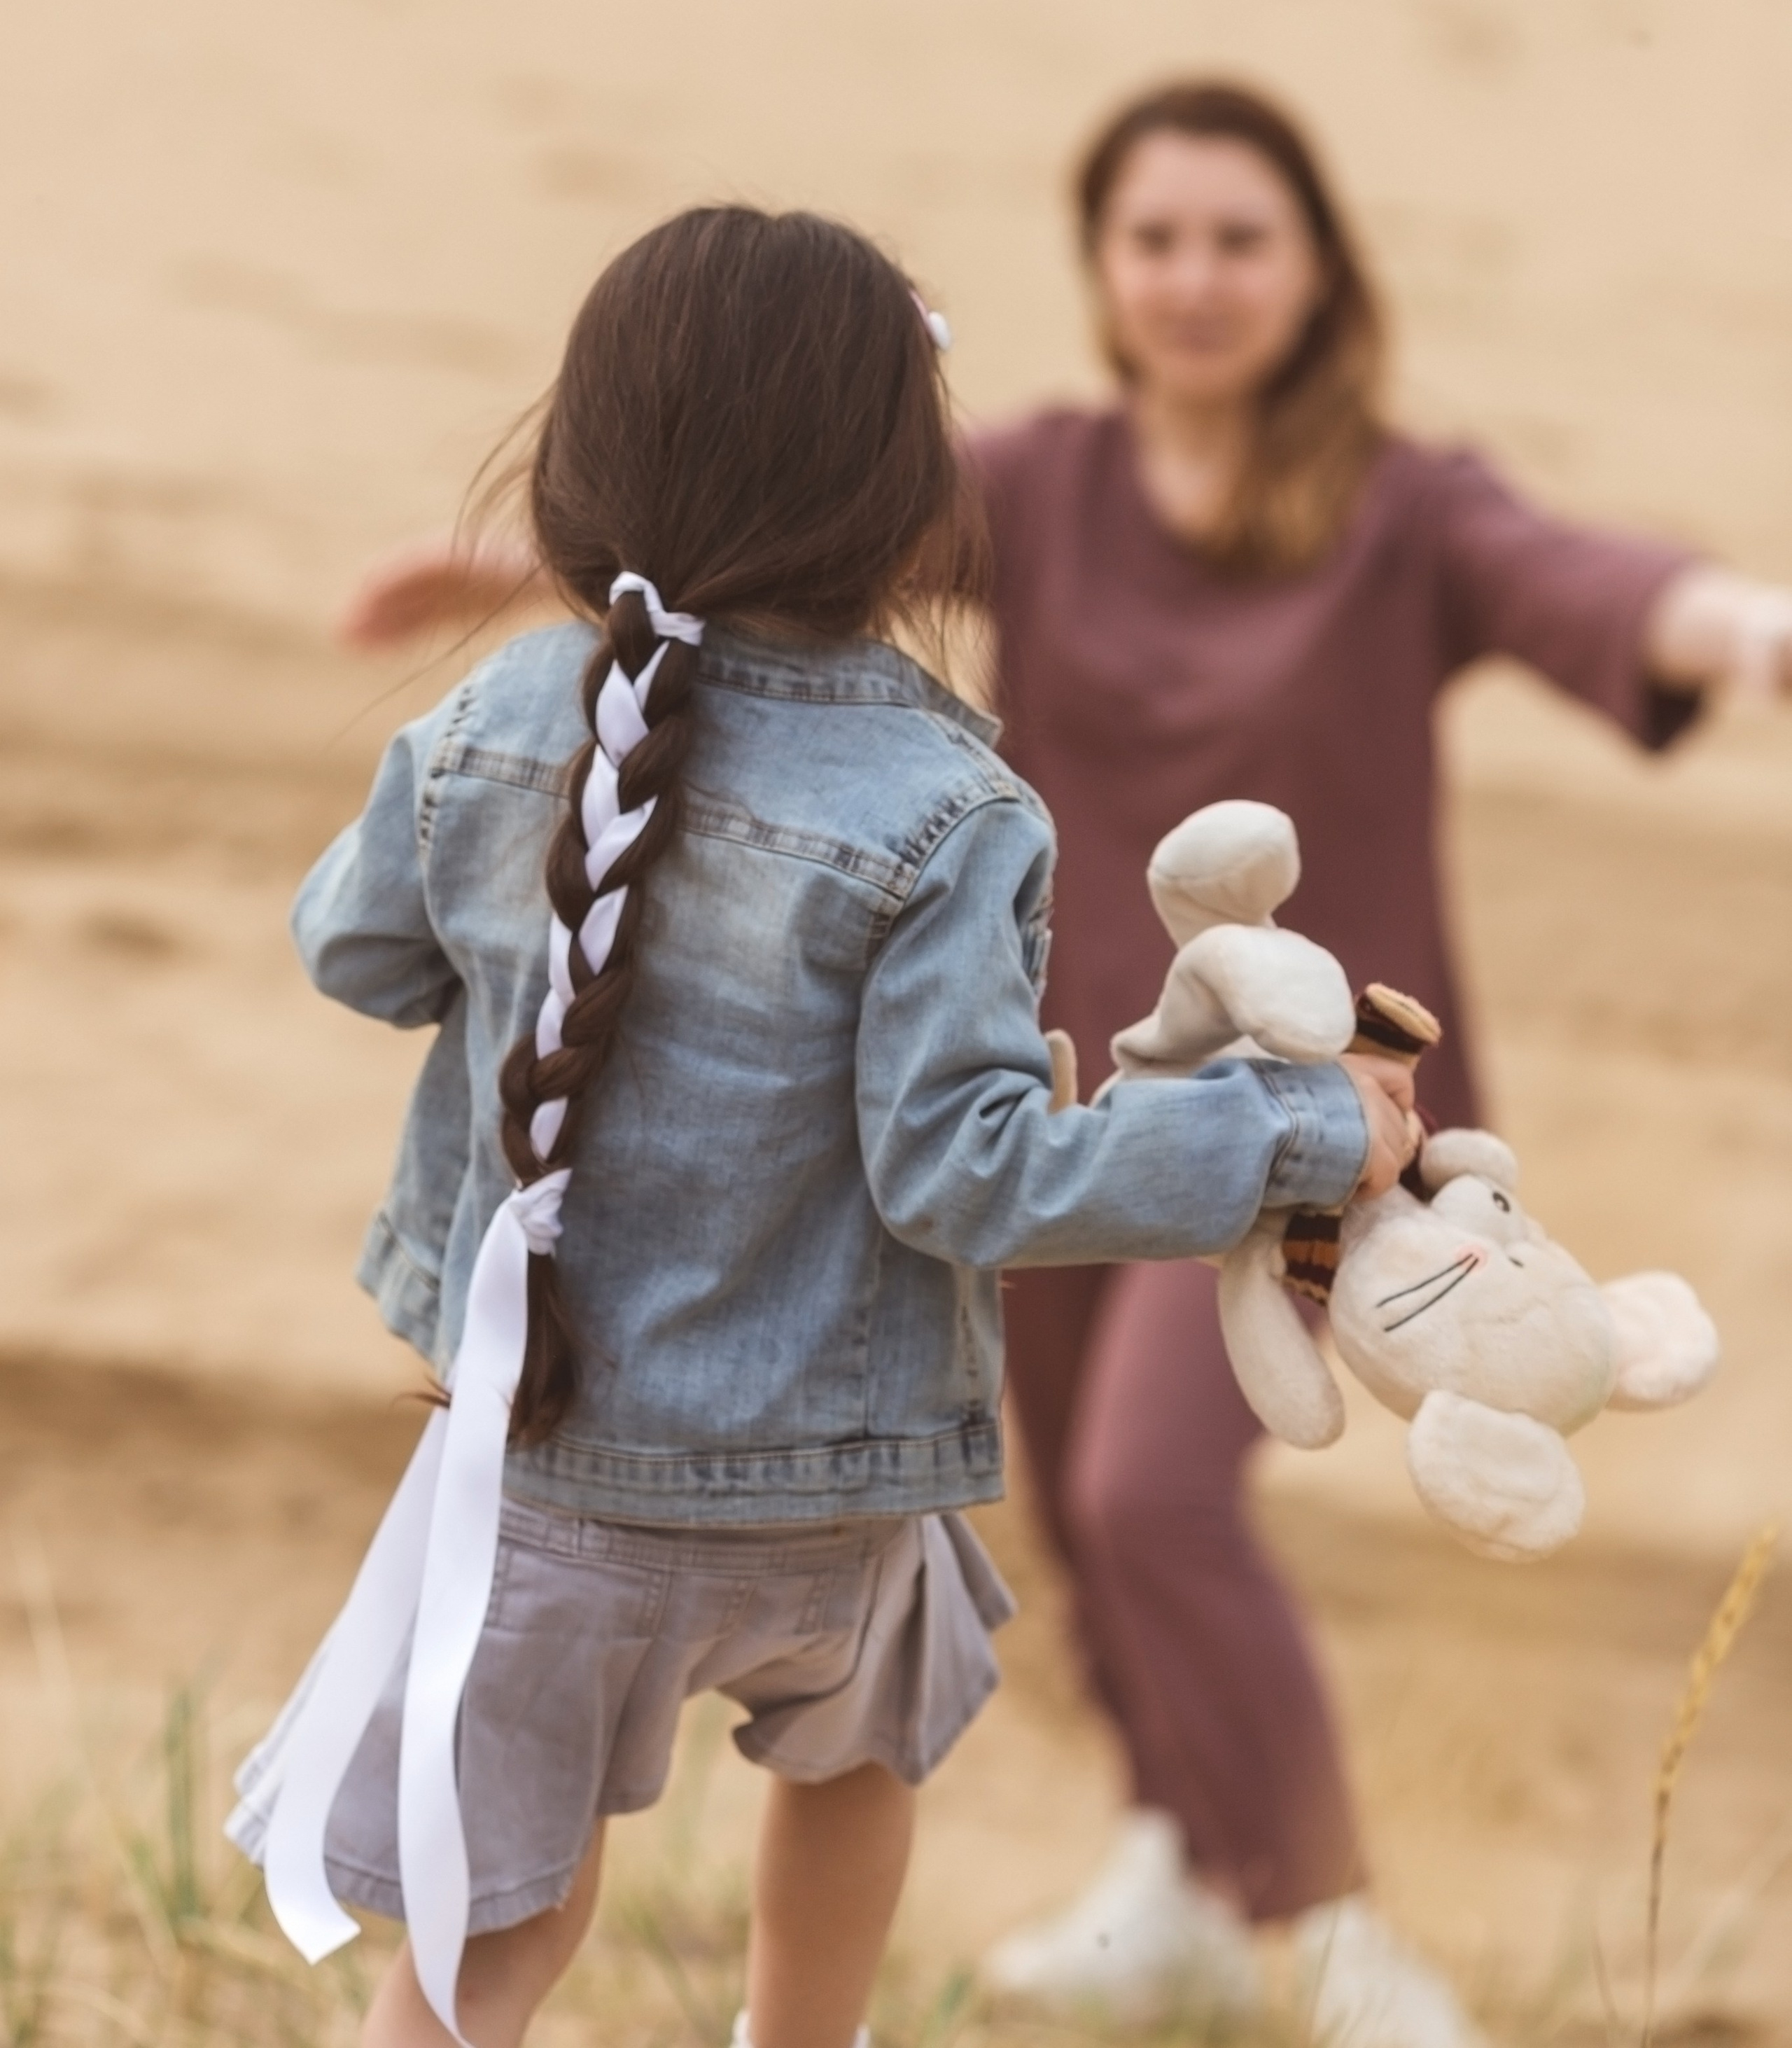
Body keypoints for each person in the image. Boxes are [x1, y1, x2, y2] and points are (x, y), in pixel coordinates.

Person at [338, 102, 1792, 2048]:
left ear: (1318, 272)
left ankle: (1333, 1922)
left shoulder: (1405, 509)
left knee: (1149, 1498)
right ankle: (1181, 1856)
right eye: (1155, 236)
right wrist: (489, 569)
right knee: (1067, 1525)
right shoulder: (1039, 481)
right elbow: (737, 538)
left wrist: (1761, 629)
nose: (1194, 277)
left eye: (1239, 237)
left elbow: (1602, 589)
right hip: (994, 1085)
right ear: (1103, 270)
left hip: (1268, 1130)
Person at [230, 204, 1413, 2048]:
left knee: (500, 1931)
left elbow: (352, 952)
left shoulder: (501, 723)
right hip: (832, 1505)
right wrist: (1291, 1128)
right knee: (857, 1767)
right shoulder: (950, 804)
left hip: (536, 1474)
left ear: (585, 461)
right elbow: (974, 1171)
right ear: (899, 497)